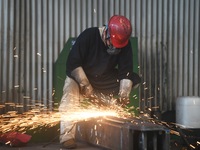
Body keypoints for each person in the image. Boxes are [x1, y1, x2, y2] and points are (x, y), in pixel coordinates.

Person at [59, 15, 141, 149]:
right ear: (106, 32)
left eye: (118, 47)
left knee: (134, 80)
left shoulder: (125, 45)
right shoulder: (89, 36)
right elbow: (73, 64)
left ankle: (107, 110)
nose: (115, 49)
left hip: (103, 78)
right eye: (112, 44)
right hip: (80, 76)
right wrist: (86, 86)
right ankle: (67, 136)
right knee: (70, 92)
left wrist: (123, 96)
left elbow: (125, 72)